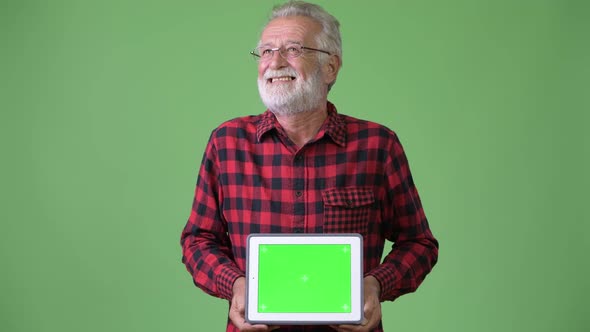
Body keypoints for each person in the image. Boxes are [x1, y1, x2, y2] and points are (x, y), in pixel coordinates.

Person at [180, 1, 439, 331]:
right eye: (266, 51)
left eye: (293, 49)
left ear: (330, 66)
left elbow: (419, 244)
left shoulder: (378, 145)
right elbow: (197, 240)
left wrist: (376, 284)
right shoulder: (227, 143)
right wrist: (235, 284)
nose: (274, 62)